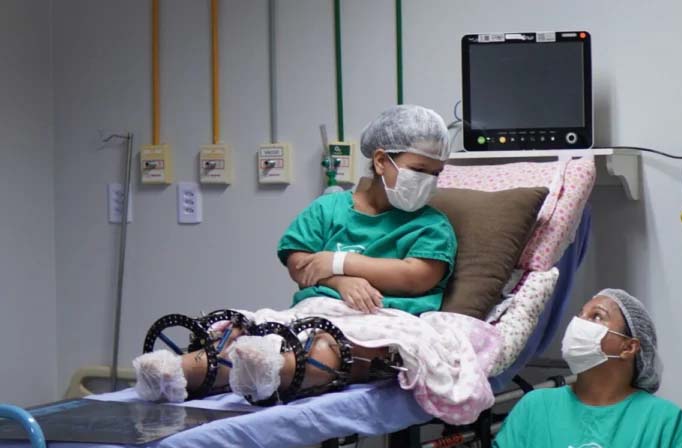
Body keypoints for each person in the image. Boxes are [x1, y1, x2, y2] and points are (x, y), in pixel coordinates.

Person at [134, 104, 458, 403]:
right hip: (313, 311)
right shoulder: (329, 209)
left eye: (436, 173)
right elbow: (300, 265)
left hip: (382, 321)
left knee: (326, 352)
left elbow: (417, 277)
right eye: (419, 169)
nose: (429, 181)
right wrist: (339, 281)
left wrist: (338, 261)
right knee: (245, 333)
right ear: (381, 161)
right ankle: (171, 371)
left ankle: (272, 370)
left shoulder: (431, 225)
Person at [488, 289, 682, 448]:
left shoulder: (664, 421)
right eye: (580, 314)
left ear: (628, 347)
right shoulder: (534, 408)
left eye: (596, 316)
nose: (579, 322)